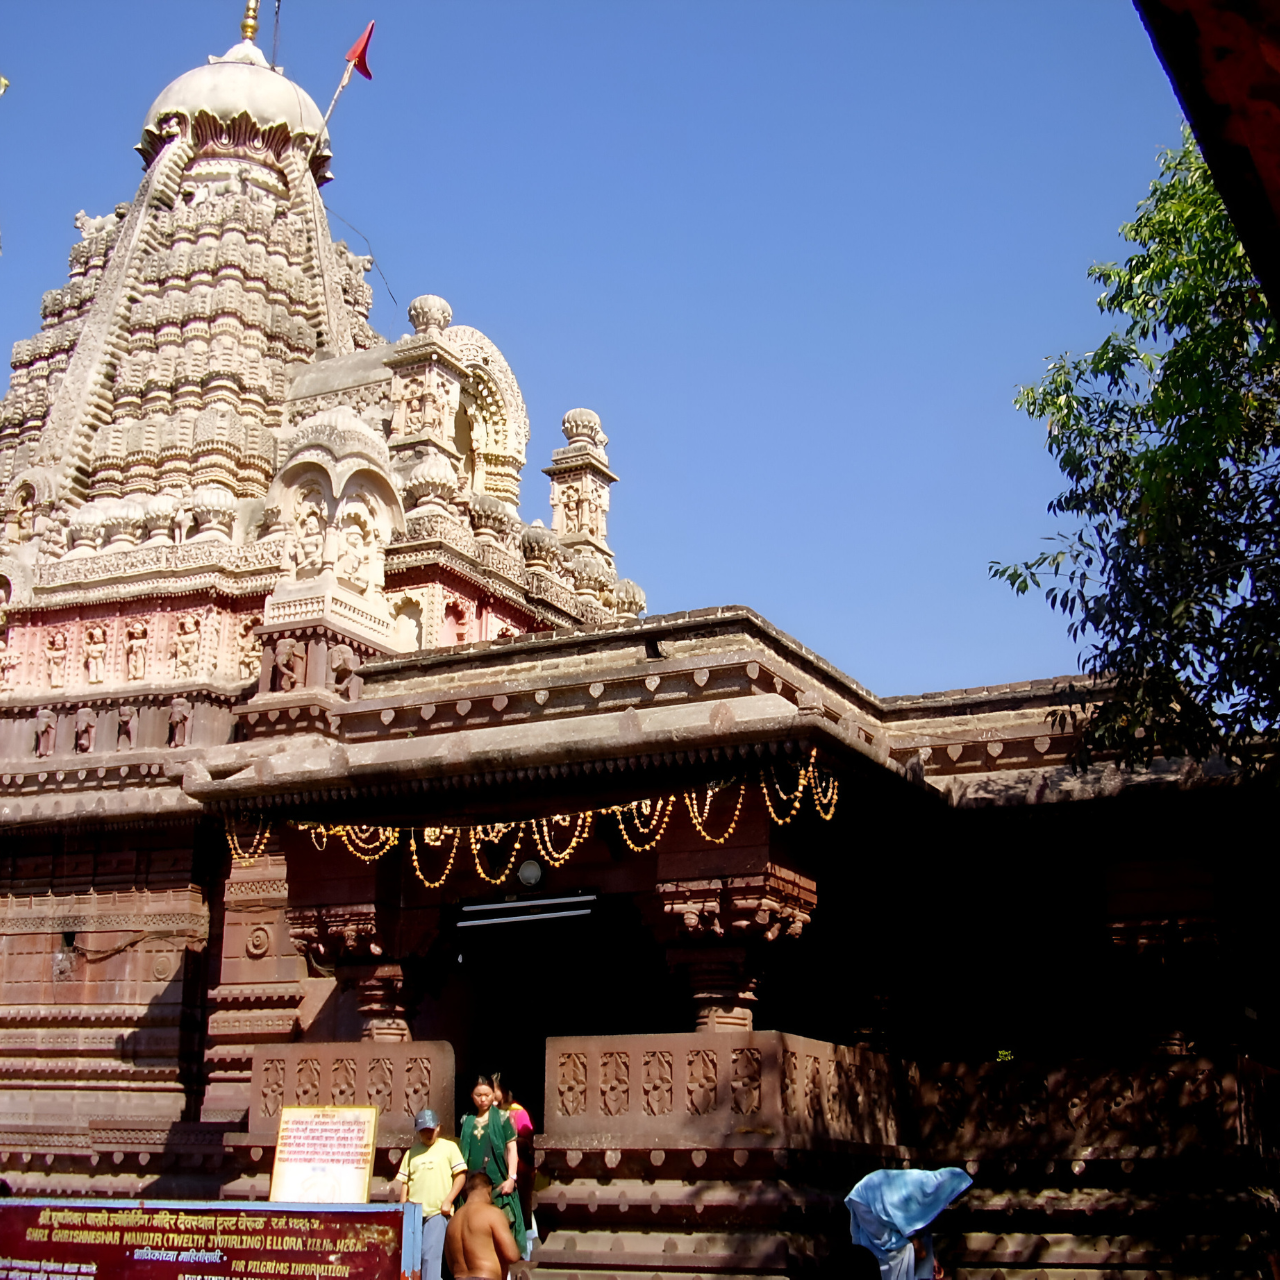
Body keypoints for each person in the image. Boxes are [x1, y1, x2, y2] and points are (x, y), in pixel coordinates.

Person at [845, 1167, 973, 1280]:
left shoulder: (932, 1193)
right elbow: (898, 1210)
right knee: (898, 1253)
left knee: (914, 1250)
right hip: (867, 1201)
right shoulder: (923, 1187)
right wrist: (916, 1245)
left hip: (880, 1205)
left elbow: (920, 1228)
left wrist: (931, 1261)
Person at [394, 1107, 467, 1280]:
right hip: (414, 1213)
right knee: (412, 1257)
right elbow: (405, 1182)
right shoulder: (411, 1153)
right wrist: (403, 1207)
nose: (428, 1134)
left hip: (437, 1211)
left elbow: (460, 1176)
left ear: (438, 1128)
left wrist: (448, 1200)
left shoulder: (449, 1148)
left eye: (431, 1130)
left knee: (430, 1257)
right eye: (424, 1130)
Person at [459, 1074, 527, 1257]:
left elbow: (512, 1149)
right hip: (472, 1185)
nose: (483, 1099)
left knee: (501, 1232)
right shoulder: (467, 1120)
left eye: (487, 1095)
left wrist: (511, 1178)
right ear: (471, 1095)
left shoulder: (503, 1118)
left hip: (498, 1184)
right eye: (478, 1095)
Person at [446, 1169, 522, 1280]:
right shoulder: (492, 1213)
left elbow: (450, 1265)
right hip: (486, 1276)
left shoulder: (453, 1221)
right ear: (489, 1191)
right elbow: (512, 1255)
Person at [492, 1075, 534, 1236]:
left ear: (503, 1091)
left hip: (518, 1172)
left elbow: (528, 1140)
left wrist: (510, 1142)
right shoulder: (488, 1114)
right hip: (495, 1171)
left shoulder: (517, 1112)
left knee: (519, 1212)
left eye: (494, 1090)